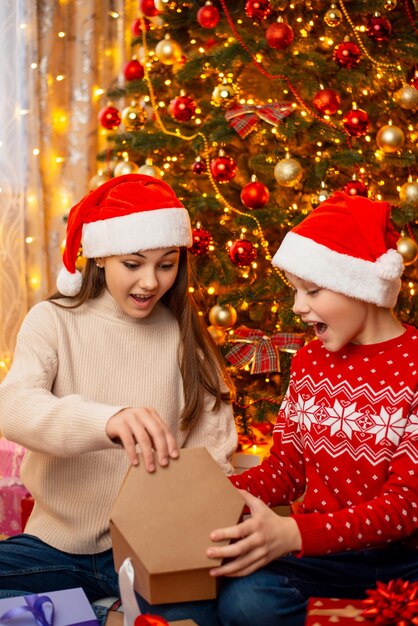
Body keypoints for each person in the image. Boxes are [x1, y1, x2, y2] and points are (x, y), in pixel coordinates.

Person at [0, 174, 237, 625]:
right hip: (54, 547)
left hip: (150, 552)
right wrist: (107, 422)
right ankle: (104, 614)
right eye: (133, 264)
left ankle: (87, 613)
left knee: (198, 615)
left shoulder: (188, 340)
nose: (151, 281)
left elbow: (215, 463)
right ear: (101, 256)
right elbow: (12, 408)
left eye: (166, 265)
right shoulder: (52, 321)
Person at [205, 192, 418, 626]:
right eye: (296, 291)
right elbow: (285, 470)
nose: (298, 306)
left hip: (404, 561)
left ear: (360, 284)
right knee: (245, 601)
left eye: (313, 290)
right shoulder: (309, 361)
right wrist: (216, 496)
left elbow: (405, 506)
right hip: (318, 558)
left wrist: (293, 532)